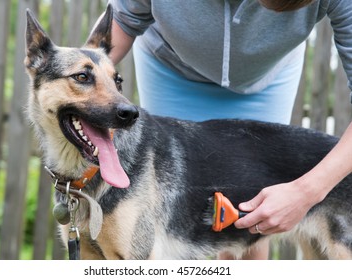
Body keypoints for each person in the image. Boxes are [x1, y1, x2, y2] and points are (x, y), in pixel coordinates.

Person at [106, 0, 352, 259]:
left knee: (252, 210)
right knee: (172, 219)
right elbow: (121, 21)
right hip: (172, 66)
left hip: (264, 72)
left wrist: (305, 193)